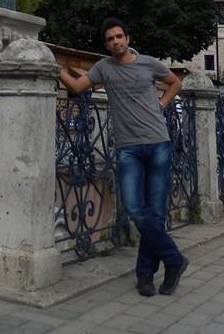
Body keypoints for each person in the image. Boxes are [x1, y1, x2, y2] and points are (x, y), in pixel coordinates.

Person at [57, 17, 188, 297]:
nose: (115, 42)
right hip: (128, 147)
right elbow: (78, 87)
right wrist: (53, 68)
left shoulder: (148, 63)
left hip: (158, 143)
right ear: (106, 44)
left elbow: (174, 83)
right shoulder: (103, 67)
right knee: (134, 207)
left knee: (153, 212)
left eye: (119, 36)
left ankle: (144, 275)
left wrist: (163, 104)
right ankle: (174, 259)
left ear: (127, 38)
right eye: (109, 39)